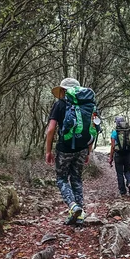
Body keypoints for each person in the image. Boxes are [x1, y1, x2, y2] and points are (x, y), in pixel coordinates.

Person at [45, 78, 93, 225]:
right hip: (82, 148)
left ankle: (73, 206)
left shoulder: (60, 104)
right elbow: (92, 130)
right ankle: (79, 216)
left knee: (61, 179)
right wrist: (88, 151)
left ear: (64, 90)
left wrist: (48, 151)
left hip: (64, 149)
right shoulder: (88, 105)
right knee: (77, 179)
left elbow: (51, 129)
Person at [108, 116, 130, 196]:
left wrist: (111, 158)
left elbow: (112, 146)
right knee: (127, 170)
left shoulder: (114, 132)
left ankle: (123, 191)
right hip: (128, 154)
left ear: (117, 123)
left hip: (118, 155)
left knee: (119, 173)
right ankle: (129, 182)